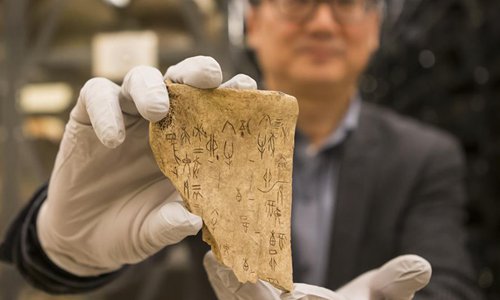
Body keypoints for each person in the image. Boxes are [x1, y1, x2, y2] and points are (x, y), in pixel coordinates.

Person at [0, 0, 483, 299]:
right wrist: (61, 248)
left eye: (347, 2)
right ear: (251, 22)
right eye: (297, 2)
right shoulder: (185, 138)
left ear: (374, 28)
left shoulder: (424, 156)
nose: (321, 23)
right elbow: (120, 271)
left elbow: (449, 284)